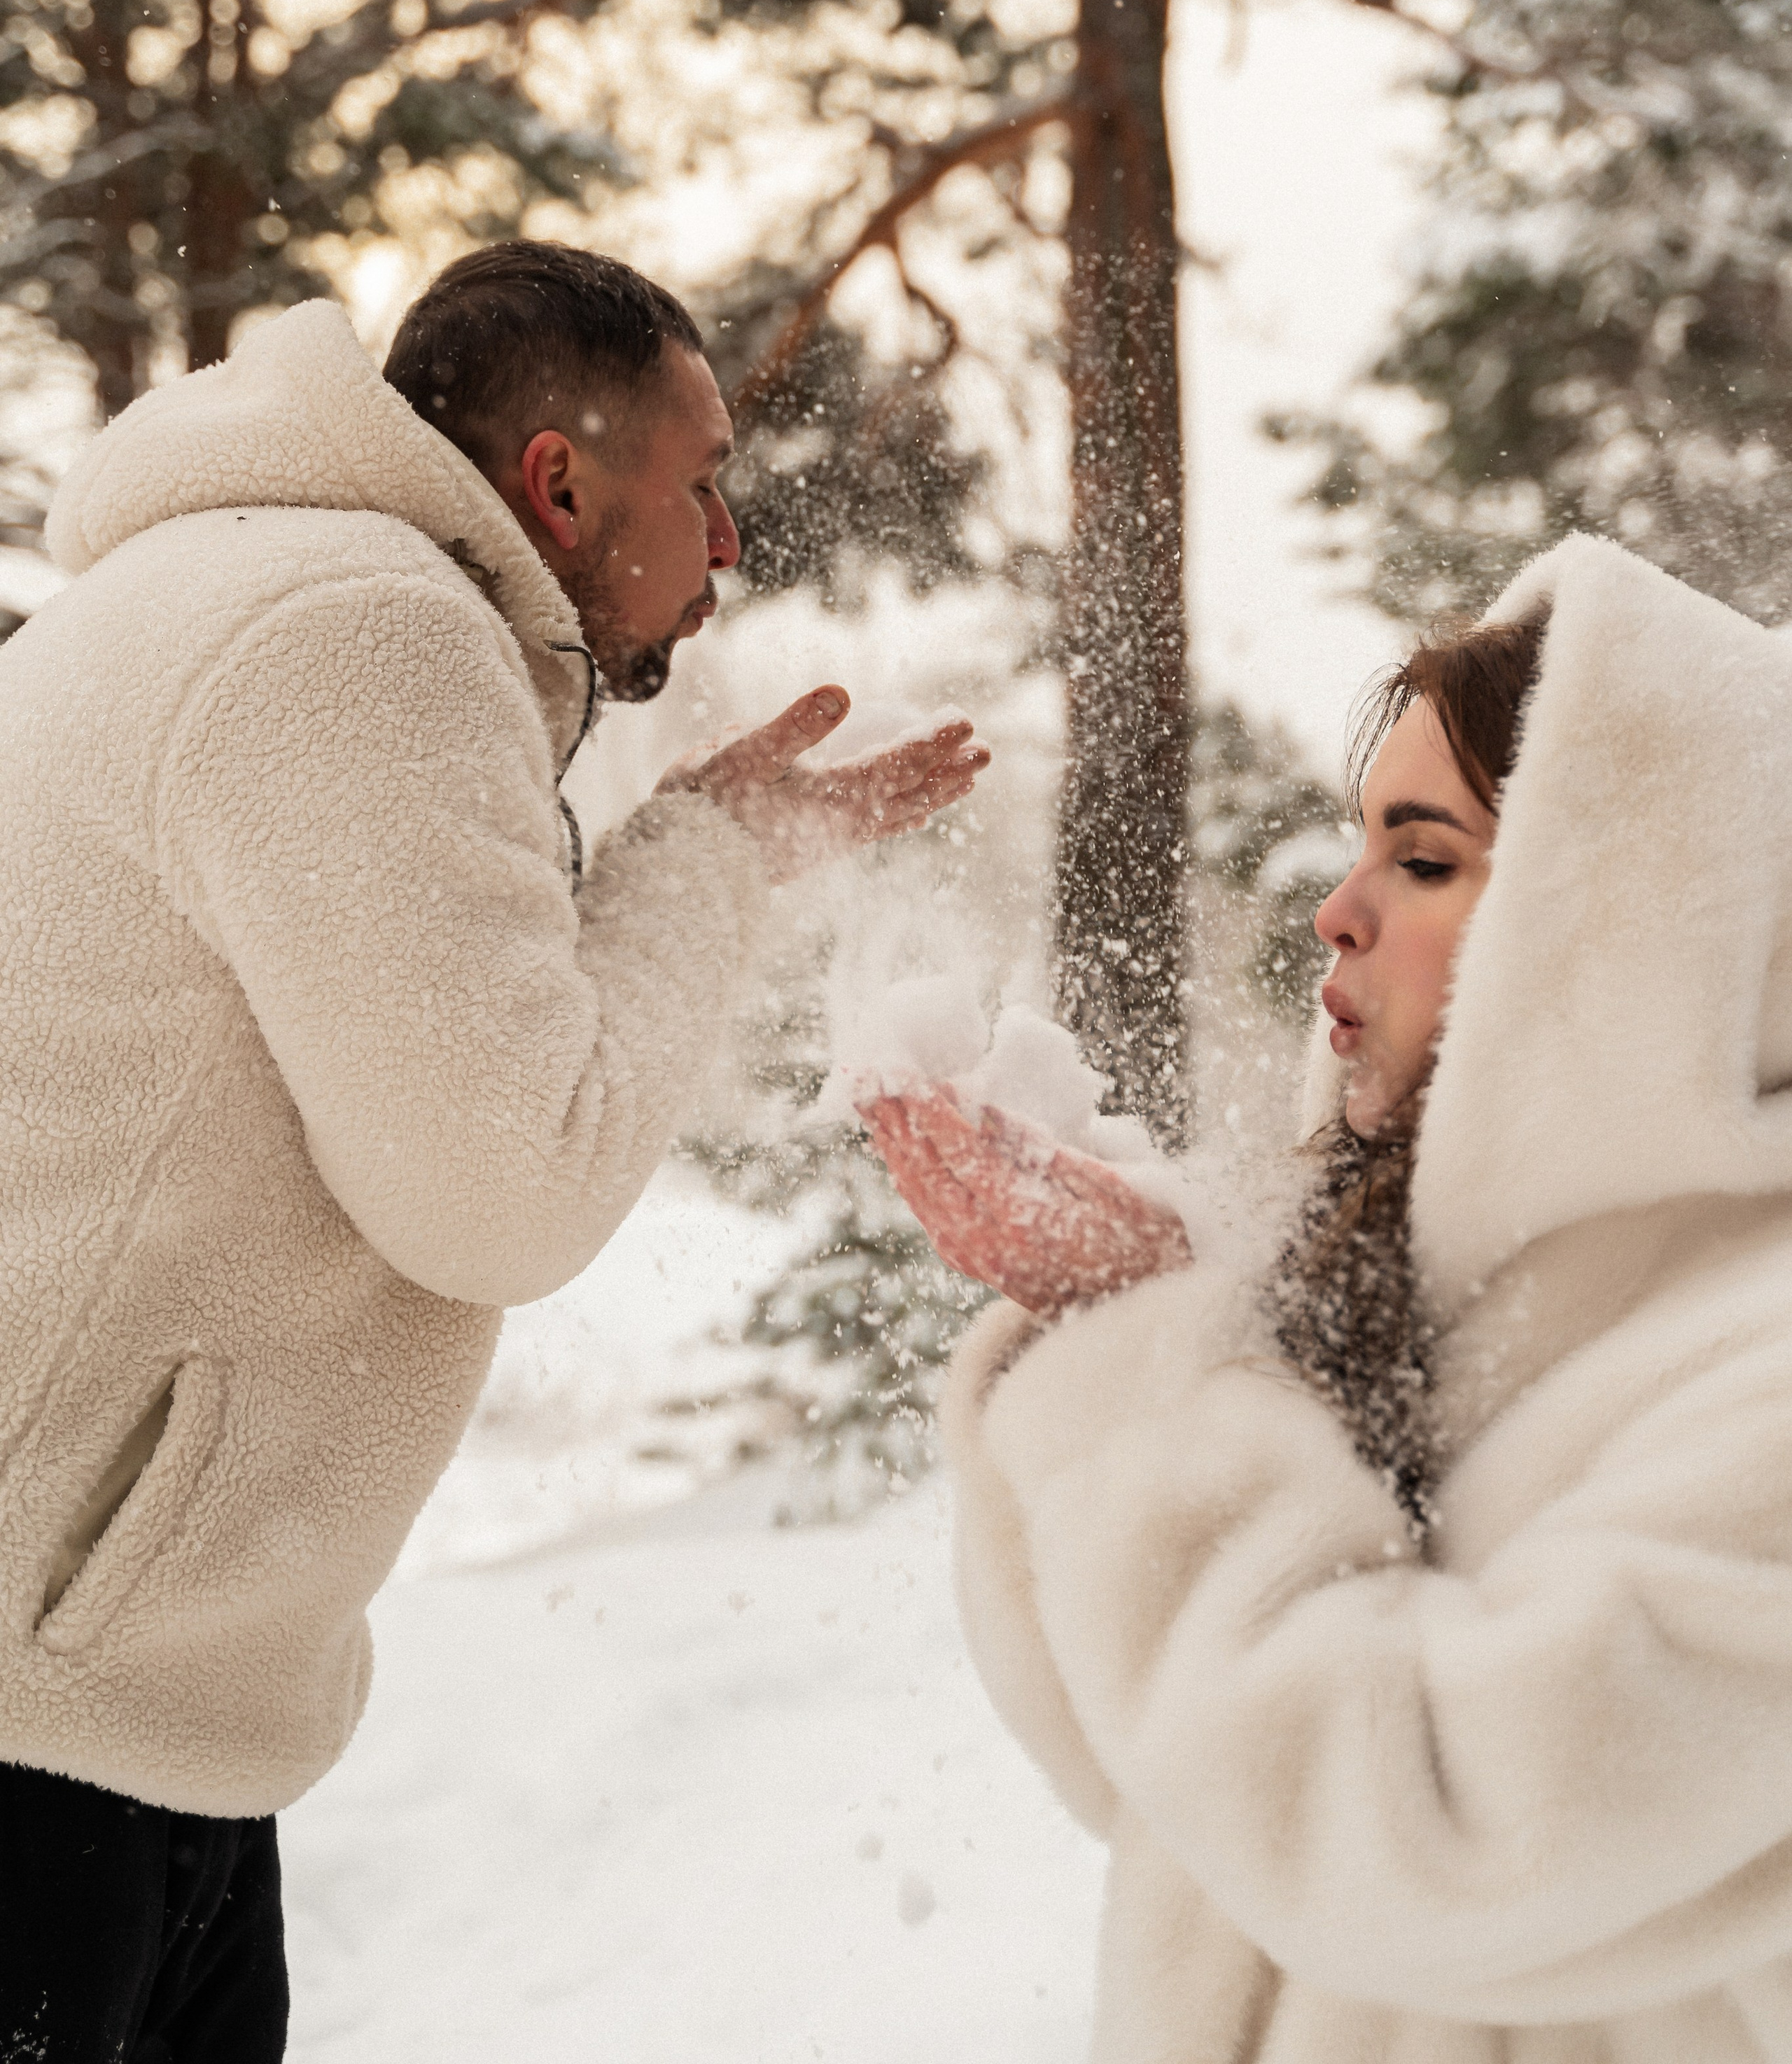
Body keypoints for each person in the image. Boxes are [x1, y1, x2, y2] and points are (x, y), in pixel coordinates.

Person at [0, 237, 986, 2061]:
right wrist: (707, 852)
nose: (734, 540)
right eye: (704, 485)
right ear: (559, 481)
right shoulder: (359, 635)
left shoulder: (254, 590)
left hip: (122, 1686)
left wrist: (720, 854)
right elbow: (502, 1188)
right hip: (48, 1726)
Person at [865, 531, 1792, 2063]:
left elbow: (1430, 1840)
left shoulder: (1759, 1370)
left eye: (1421, 859)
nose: (1334, 911)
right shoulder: (1426, 1293)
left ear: (1627, 929)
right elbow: (1159, 1784)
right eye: (1358, 846)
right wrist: (1094, 1322)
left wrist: (1155, 1365)